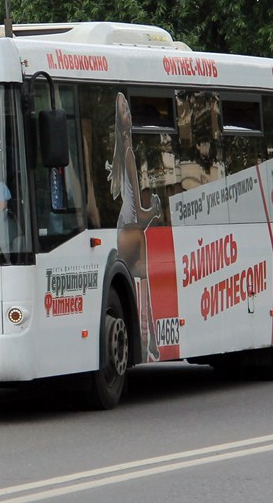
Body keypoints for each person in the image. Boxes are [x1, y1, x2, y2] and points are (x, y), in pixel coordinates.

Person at [105, 92, 162, 362]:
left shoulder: (120, 153)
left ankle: (147, 342)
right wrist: (156, 211)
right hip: (132, 230)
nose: (128, 111)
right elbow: (140, 213)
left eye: (127, 106)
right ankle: (148, 341)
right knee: (146, 284)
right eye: (124, 110)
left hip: (120, 232)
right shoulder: (128, 153)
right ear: (121, 121)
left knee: (138, 284)